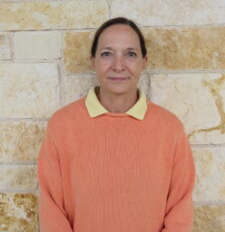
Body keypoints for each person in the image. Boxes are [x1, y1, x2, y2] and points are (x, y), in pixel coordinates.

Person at [38, 17, 195, 232]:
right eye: (107, 54)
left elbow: (180, 212)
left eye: (130, 54)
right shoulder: (63, 125)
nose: (118, 66)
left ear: (144, 62)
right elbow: (51, 210)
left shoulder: (169, 128)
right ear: (93, 60)